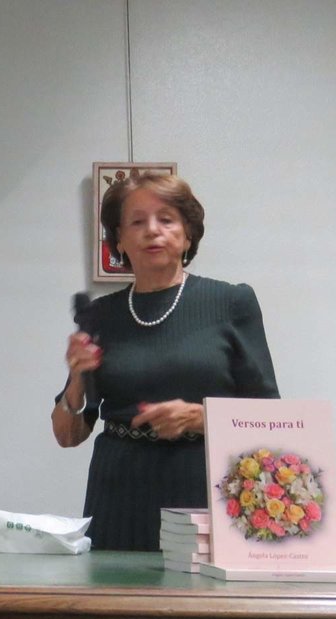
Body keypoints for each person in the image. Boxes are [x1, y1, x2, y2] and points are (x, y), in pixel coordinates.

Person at [52, 174, 279, 551]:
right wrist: (77, 378)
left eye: (166, 219)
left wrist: (200, 417)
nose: (152, 231)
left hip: (205, 486)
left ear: (188, 234)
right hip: (119, 493)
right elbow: (68, 435)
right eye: (137, 222)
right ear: (119, 240)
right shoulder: (100, 316)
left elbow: (270, 418)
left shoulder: (232, 302)